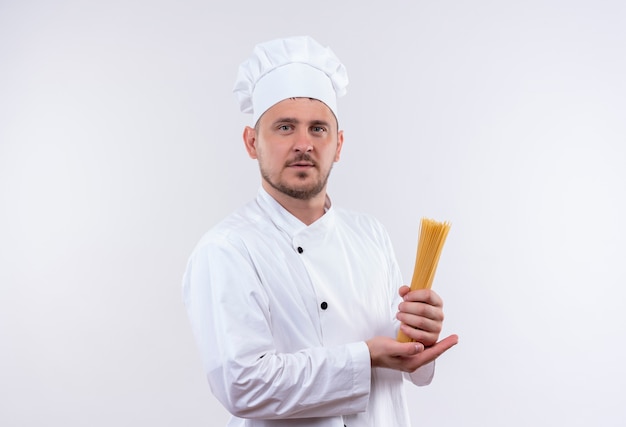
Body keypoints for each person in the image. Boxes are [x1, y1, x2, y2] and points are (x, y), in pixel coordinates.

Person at [182, 35, 458, 427]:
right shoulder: (227, 248)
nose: (303, 144)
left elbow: (402, 361)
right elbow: (242, 385)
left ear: (339, 144)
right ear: (251, 142)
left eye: (318, 129)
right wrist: (365, 356)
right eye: (284, 127)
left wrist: (419, 334)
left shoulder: (370, 234)